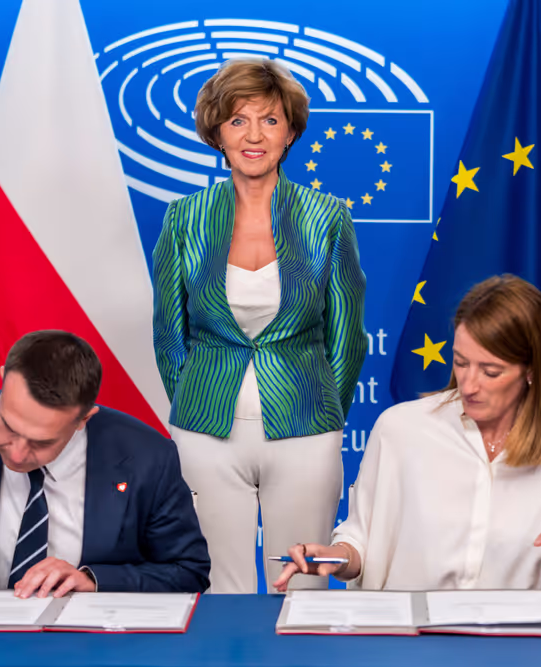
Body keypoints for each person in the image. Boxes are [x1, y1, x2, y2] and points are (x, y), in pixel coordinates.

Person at [274, 275, 541, 593]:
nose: (469, 384)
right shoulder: (400, 429)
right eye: (461, 362)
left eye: (491, 371)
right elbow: (361, 545)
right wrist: (334, 557)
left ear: (532, 371)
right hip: (410, 648)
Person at [152, 59, 367, 593]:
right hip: (204, 431)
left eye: (269, 121)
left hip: (305, 429)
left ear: (290, 131)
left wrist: (322, 409)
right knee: (211, 584)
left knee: (303, 584)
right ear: (217, 133)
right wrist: (198, 399)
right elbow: (168, 333)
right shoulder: (184, 217)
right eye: (238, 120)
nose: (254, 136)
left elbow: (346, 335)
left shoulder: (327, 217)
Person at [0, 330, 210, 598]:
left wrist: (91, 581)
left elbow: (188, 570)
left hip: (93, 650)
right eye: (8, 425)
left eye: (41, 441)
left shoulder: (147, 456)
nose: (17, 454)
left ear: (83, 419)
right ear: (3, 378)